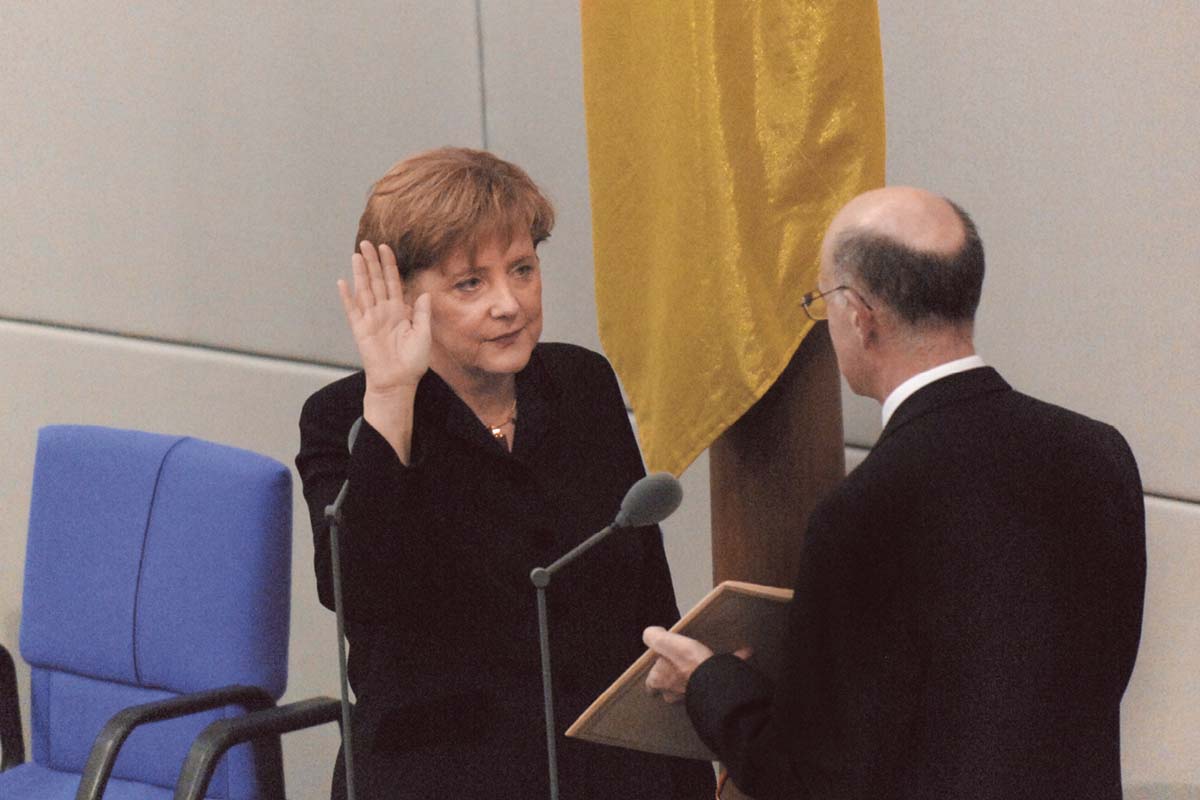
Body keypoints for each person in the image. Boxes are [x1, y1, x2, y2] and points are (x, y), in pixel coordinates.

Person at [643, 187, 1146, 799]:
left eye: (821, 300)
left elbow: (816, 783)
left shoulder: (864, 512)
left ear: (858, 314)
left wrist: (709, 683)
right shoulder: (1099, 453)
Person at [295, 147, 714, 800]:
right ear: (403, 296)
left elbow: (643, 589)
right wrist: (391, 399)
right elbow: (358, 589)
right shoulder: (344, 418)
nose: (509, 304)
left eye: (522, 269)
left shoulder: (581, 383)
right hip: (448, 773)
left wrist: (681, 760)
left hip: (606, 761)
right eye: (471, 284)